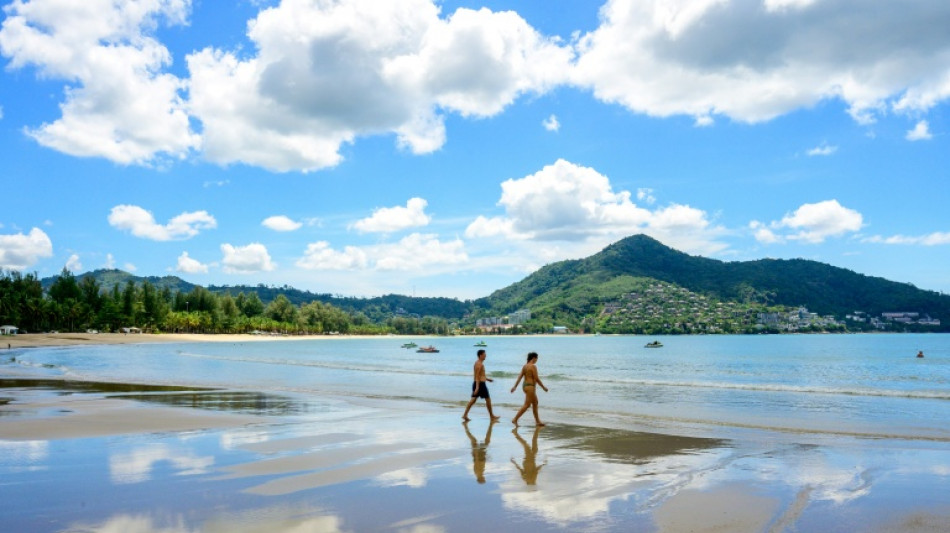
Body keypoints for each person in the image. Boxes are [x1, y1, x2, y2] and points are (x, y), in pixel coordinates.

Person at [510, 351, 548, 426]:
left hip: (525, 386)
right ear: (534, 358)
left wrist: (515, 387)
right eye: (537, 358)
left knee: (535, 402)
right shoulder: (533, 366)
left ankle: (537, 421)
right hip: (530, 387)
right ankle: (515, 419)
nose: (537, 360)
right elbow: (536, 378)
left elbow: (520, 377)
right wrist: (543, 387)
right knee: (527, 405)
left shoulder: (525, 366)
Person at [462, 349, 501, 421]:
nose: (485, 356)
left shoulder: (478, 363)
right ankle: (491, 416)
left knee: (473, 400)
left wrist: (487, 379)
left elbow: (480, 375)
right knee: (488, 400)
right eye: (484, 354)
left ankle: (465, 415)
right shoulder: (479, 364)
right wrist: (477, 387)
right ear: (480, 355)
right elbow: (477, 376)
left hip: (479, 383)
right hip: (480, 385)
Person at [463, 419, 496, 484]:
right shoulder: (478, 473)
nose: (484, 478)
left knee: (482, 441)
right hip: (479, 455)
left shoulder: (478, 472)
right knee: (476, 440)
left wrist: (476, 453)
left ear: (480, 478)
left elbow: (477, 462)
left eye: (483, 479)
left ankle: (491, 426)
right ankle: (465, 427)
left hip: (479, 455)